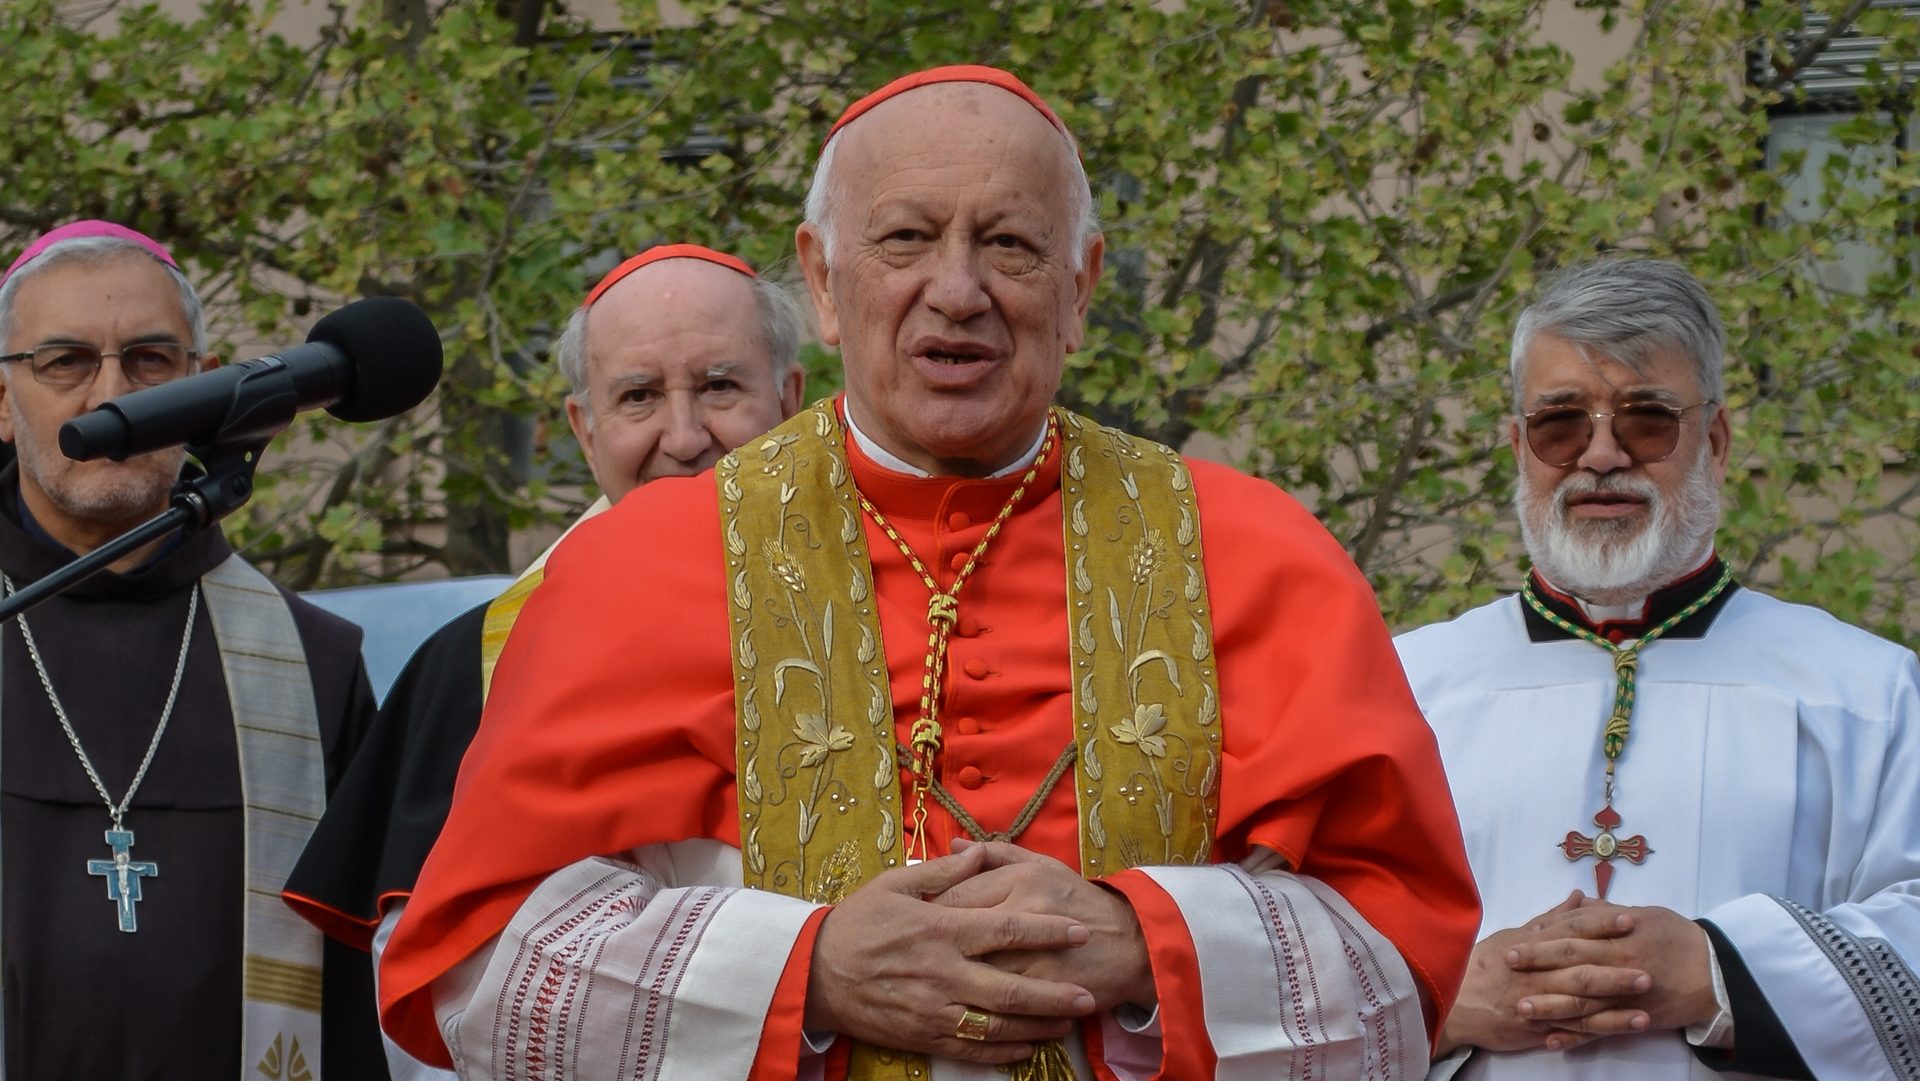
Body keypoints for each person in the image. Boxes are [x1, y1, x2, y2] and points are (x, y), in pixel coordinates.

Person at [380, 65, 1481, 1079]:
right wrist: (799, 968)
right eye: (905, 238)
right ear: (821, 278)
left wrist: (1150, 942)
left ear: (1083, 285)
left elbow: (1404, 959)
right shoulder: (639, 565)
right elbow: (485, 966)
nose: (957, 290)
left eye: (1010, 244)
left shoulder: (1258, 552)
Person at [282, 244, 807, 1078]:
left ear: (790, 400)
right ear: (583, 429)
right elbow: (439, 1001)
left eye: (719, 386)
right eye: (639, 396)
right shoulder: (474, 661)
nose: (686, 434)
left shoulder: (891, 605)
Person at [1396, 257, 1920, 1081]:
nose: (1601, 456)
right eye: (1560, 423)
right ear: (1519, 446)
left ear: (1712, 442)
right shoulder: (1400, 687)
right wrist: (1434, 1000)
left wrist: (1719, 971)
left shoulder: (1868, 693)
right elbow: (1303, 940)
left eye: (1646, 420)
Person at [0, 219, 387, 1078]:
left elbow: (363, 1004)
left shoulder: (310, 664)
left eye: (149, 361)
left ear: (205, 387)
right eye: (63, 360)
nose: (112, 397)